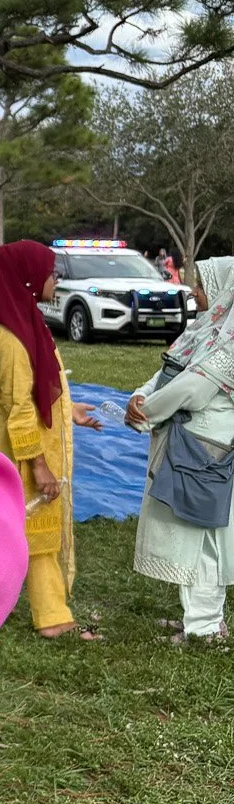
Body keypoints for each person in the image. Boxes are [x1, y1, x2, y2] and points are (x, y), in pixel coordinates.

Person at [0, 239, 100, 639]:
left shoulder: (11, 320)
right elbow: (19, 407)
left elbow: (34, 387)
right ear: (26, 279)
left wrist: (68, 410)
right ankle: (53, 618)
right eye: (49, 272)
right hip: (15, 451)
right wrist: (39, 465)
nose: (55, 280)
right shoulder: (9, 337)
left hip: (6, 446)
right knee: (36, 533)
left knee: (4, 534)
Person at [126, 258, 234, 642]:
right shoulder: (208, 331)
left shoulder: (229, 344)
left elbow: (194, 389)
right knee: (193, 534)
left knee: (203, 540)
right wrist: (141, 395)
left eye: (202, 286)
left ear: (224, 292)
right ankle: (198, 619)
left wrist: (146, 413)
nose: (193, 292)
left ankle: (205, 628)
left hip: (206, 450)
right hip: (192, 444)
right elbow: (172, 370)